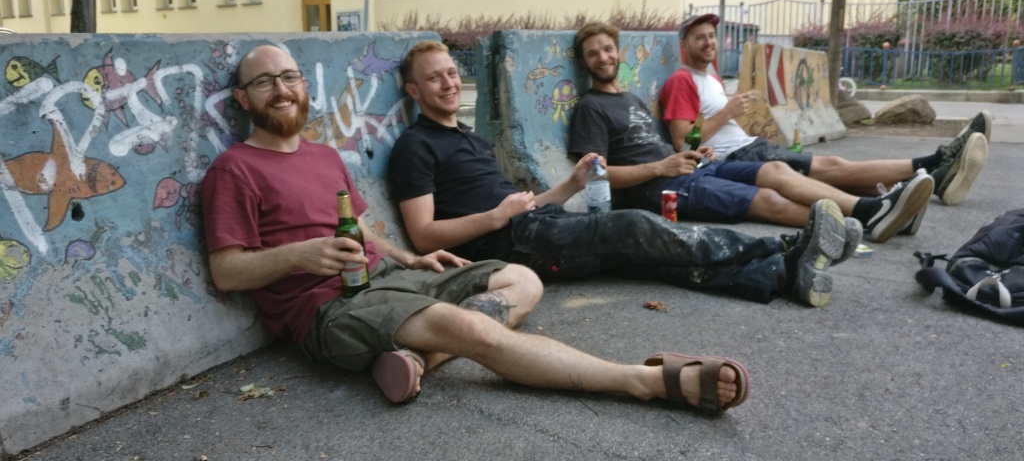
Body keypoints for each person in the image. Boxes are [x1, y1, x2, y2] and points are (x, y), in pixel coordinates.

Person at [201, 44, 751, 414]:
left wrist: (410, 259)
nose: (281, 87)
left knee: (522, 280)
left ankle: (418, 357)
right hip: (327, 310)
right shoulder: (235, 169)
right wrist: (301, 254)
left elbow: (364, 231)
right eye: (265, 81)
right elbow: (227, 272)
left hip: (389, 281)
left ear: (303, 87)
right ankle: (646, 381)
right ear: (244, 98)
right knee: (480, 331)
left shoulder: (324, 156)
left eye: (290, 76)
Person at [389, 40, 858, 308]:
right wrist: (496, 217)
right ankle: (785, 247)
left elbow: (527, 207)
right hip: (506, 246)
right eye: (434, 78)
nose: (449, 84)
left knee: (647, 256)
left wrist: (570, 186)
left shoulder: (471, 139)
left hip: (532, 228)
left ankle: (780, 276)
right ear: (414, 89)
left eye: (452, 73)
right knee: (636, 226)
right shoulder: (415, 145)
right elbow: (424, 235)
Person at [567, 21, 933, 244]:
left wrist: (692, 154)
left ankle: (871, 210)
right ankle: (866, 217)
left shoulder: (631, 98)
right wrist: (662, 168)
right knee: (768, 200)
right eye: (593, 54)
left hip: (691, 168)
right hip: (660, 191)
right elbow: (595, 176)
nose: (602, 57)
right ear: (584, 63)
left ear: (619, 52)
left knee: (776, 172)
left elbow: (663, 145)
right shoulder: (591, 107)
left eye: (607, 49)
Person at [659, 13, 991, 208]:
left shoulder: (711, 77)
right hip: (735, 159)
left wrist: (731, 114)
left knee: (830, 174)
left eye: (712, 36)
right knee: (832, 165)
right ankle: (933, 163)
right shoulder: (681, 81)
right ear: (684, 46)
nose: (708, 42)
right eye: (699, 38)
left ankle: (928, 180)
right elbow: (682, 143)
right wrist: (729, 110)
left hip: (748, 148)